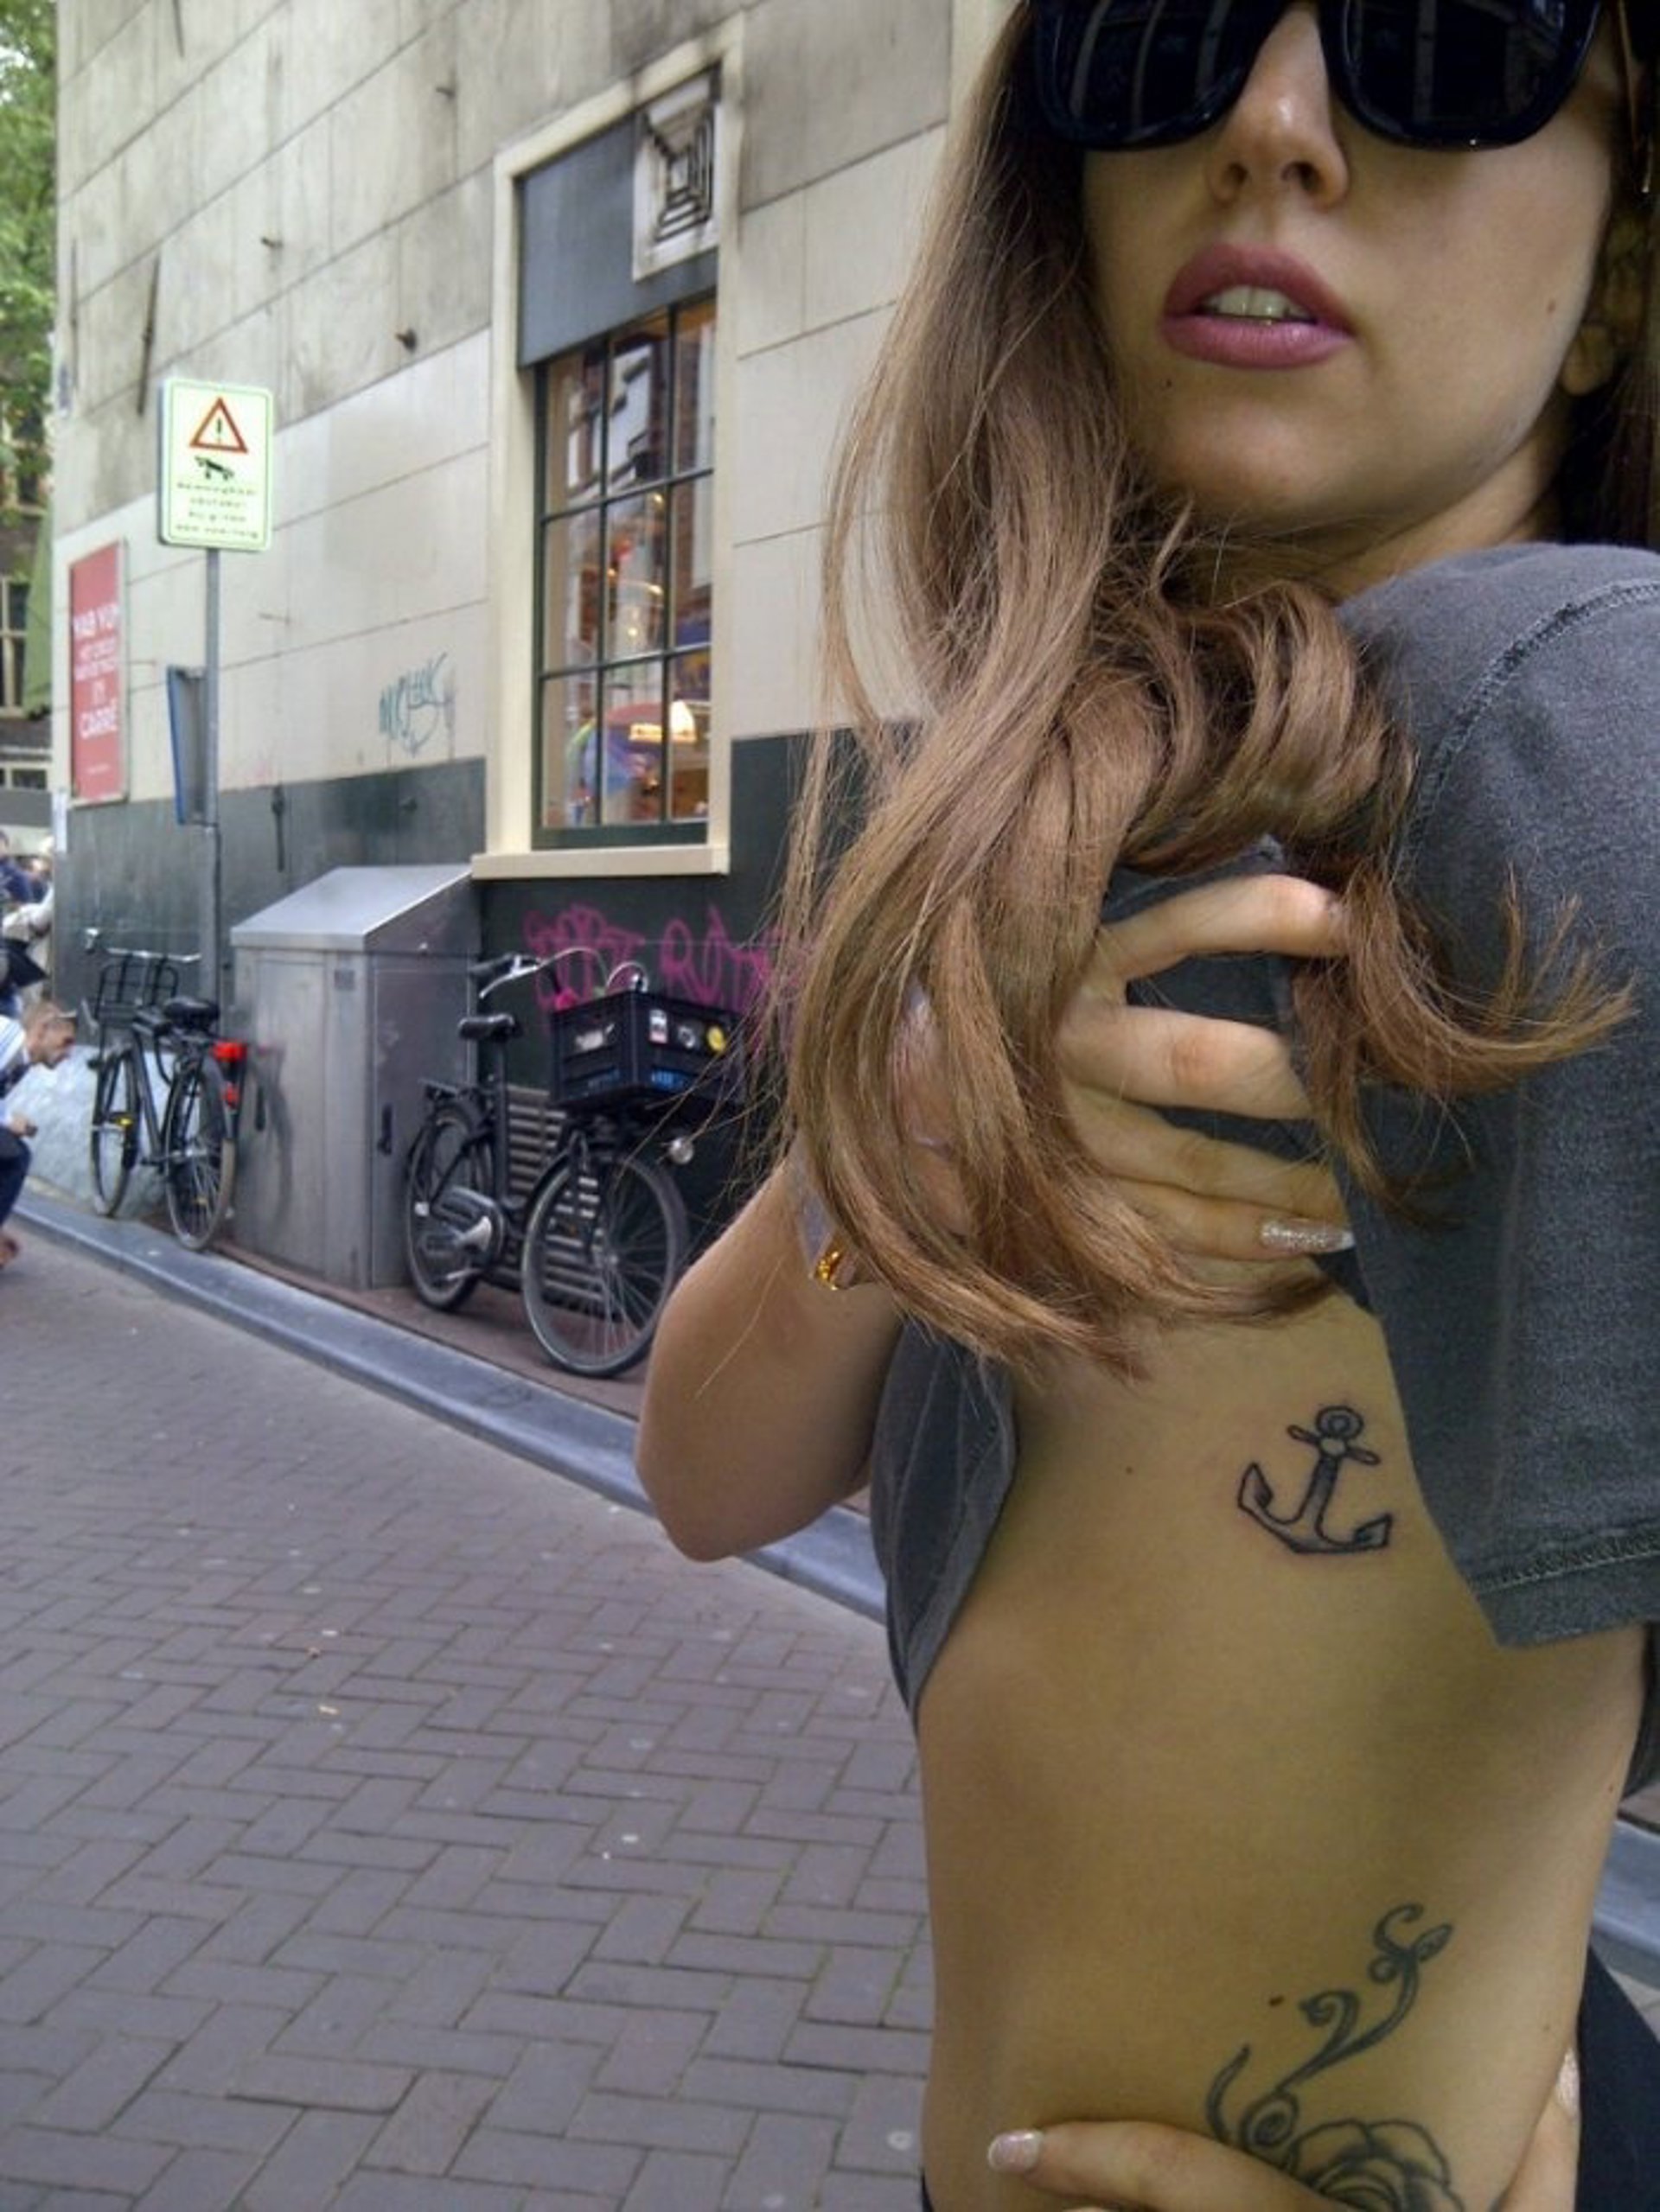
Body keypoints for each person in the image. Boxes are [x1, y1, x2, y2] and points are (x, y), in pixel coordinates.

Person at [640, 4, 1660, 2207]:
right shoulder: (1063, 821)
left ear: (1622, 281)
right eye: (1164, 30)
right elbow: (705, 1468)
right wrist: (922, 1128)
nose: (1272, 126)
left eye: (1441, 39)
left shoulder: (1587, 709)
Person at [0, 1000, 75, 1267]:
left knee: (12, 1155)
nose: (69, 1053)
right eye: (66, 1042)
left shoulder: (20, 1059)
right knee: (15, 1158)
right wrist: (8, 1120)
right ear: (42, 1029)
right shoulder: (8, 1044)